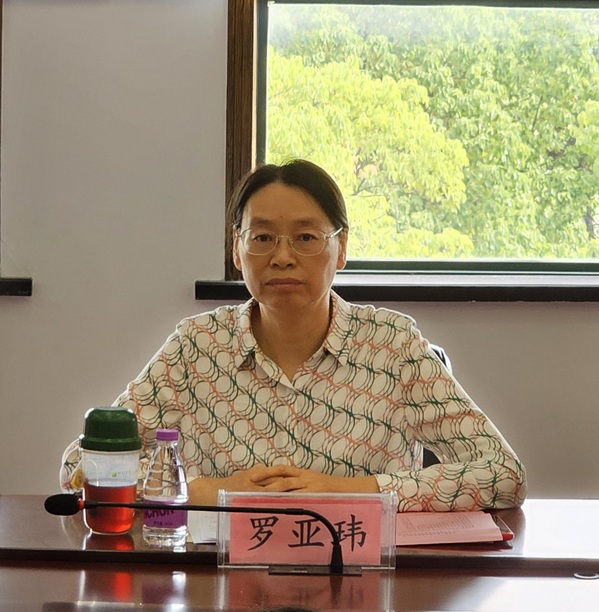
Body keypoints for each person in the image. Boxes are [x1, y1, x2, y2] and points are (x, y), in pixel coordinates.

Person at [61, 159, 527, 511]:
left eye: (306, 238)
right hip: (224, 585)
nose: (282, 257)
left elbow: (503, 475)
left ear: (341, 248)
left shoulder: (393, 345)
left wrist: (349, 491)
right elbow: (80, 468)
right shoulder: (196, 347)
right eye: (262, 238)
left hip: (361, 579)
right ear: (237, 251)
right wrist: (203, 491)